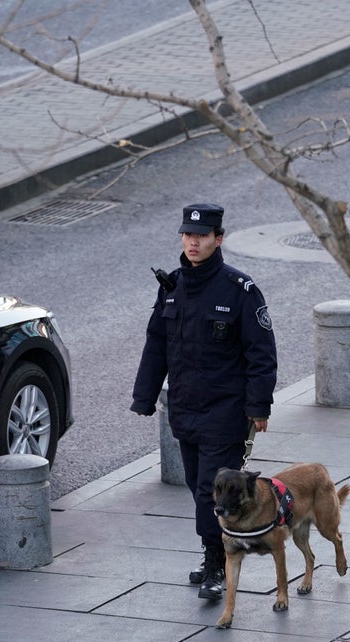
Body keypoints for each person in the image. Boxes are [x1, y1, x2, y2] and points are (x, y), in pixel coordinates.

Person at [131, 203, 278, 601]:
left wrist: (259, 406)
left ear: (218, 238)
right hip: (185, 409)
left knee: (211, 492)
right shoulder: (173, 286)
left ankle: (218, 563)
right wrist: (144, 396)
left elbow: (261, 352)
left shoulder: (239, 289)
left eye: (201, 236)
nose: (192, 242)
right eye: (187, 235)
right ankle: (212, 551)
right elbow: (156, 344)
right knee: (197, 486)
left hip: (225, 412)